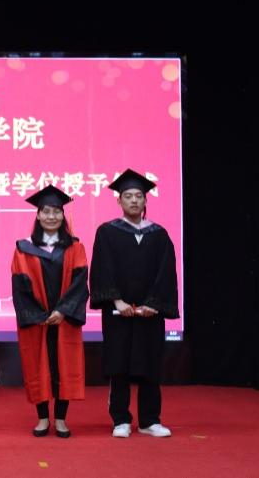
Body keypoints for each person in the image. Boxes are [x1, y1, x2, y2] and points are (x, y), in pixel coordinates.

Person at [90, 169, 178, 438]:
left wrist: (154, 303)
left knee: (150, 365)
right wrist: (116, 300)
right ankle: (121, 419)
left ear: (145, 200)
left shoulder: (159, 235)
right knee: (119, 365)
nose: (134, 201)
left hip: (150, 314)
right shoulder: (107, 232)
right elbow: (102, 268)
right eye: (128, 196)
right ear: (119, 200)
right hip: (119, 313)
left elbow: (166, 272)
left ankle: (150, 420)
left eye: (139, 196)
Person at [11, 185, 88, 438]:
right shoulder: (23, 248)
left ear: (63, 215)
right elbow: (20, 287)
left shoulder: (75, 247)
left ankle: (61, 419)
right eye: (46, 211)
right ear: (38, 215)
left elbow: (79, 283)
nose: (51, 216)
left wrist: (63, 311)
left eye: (56, 211)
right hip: (38, 321)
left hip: (65, 319)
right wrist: (40, 315)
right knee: (38, 366)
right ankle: (43, 417)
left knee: (64, 366)